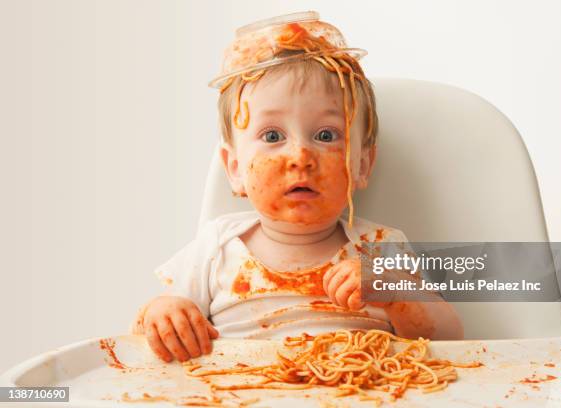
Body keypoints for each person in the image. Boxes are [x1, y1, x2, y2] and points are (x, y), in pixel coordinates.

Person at [131, 12, 463, 363]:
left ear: (362, 165)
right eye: (272, 136)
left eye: (326, 135)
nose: (301, 156)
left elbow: (449, 339)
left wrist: (398, 293)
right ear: (235, 168)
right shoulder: (216, 248)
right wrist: (161, 313)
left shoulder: (381, 249)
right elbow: (148, 336)